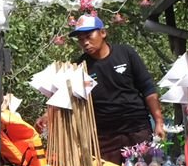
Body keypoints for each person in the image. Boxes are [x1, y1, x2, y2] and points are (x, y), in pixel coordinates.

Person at [69, 13, 164, 157]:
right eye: (81, 39)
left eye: (89, 36)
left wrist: (158, 121)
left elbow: (148, 88)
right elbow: (70, 98)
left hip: (137, 130)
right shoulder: (80, 67)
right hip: (105, 138)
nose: (85, 43)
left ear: (103, 33)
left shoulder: (126, 53)